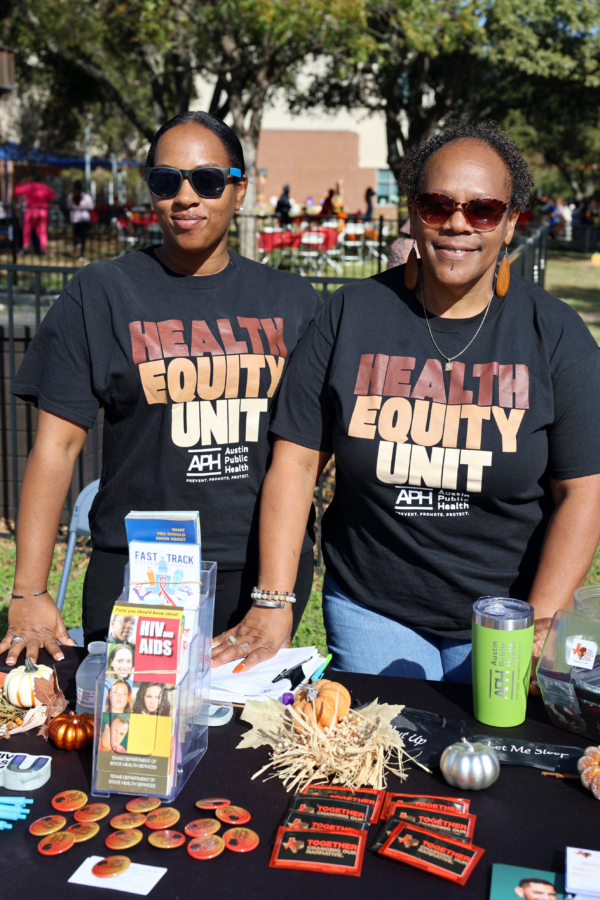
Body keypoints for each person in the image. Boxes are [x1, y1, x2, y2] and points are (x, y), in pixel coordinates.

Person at [213, 119, 600, 682]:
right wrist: (273, 600)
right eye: (436, 205)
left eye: (483, 210)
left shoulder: (555, 334)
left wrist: (539, 621)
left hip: (503, 617)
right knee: (391, 759)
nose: (457, 224)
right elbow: (296, 464)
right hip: (374, 607)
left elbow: (582, 492)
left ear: (511, 222)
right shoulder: (350, 314)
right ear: (414, 212)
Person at [3, 110, 319, 668]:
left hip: (256, 574)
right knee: (133, 748)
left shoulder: (293, 302)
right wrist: (28, 589)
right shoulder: (102, 292)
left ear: (239, 191)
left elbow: (307, 453)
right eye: (166, 181)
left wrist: (277, 593)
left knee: (241, 747)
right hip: (139, 569)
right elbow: (57, 445)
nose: (186, 197)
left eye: (208, 180)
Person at [13, 171, 55, 256]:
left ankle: (26, 247)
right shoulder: (44, 187)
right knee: (42, 231)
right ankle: (42, 249)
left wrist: (22, 182)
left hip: (30, 211)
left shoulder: (29, 186)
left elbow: (17, 191)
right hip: (42, 211)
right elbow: (52, 196)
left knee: (27, 229)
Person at [66, 180, 94, 261]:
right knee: (83, 237)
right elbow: (91, 207)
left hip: (75, 218)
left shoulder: (71, 196)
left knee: (76, 235)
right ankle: (81, 254)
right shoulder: (87, 197)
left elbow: (68, 206)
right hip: (84, 219)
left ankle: (75, 248)